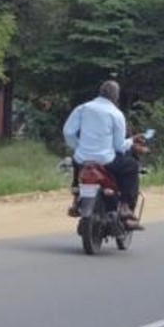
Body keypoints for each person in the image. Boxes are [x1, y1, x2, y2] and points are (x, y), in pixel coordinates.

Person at [63, 80, 149, 229]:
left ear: (100, 92)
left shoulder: (82, 108)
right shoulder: (116, 114)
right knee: (131, 166)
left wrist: (79, 146)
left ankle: (77, 198)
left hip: (82, 159)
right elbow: (119, 146)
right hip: (106, 161)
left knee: (78, 164)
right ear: (116, 97)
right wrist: (131, 142)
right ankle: (124, 206)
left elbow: (68, 132)